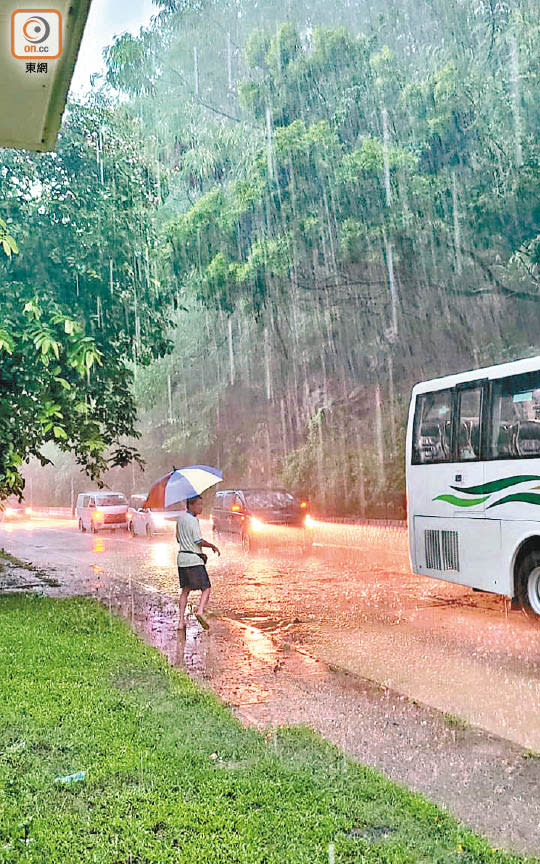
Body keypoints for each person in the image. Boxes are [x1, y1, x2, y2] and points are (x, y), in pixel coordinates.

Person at [176, 495, 220, 631]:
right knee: (206, 587)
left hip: (182, 559)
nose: (201, 507)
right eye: (199, 504)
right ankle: (200, 610)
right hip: (194, 560)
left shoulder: (180, 519)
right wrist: (212, 545)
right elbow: (197, 540)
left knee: (185, 590)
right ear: (191, 505)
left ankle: (181, 622)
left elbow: (178, 539)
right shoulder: (193, 520)